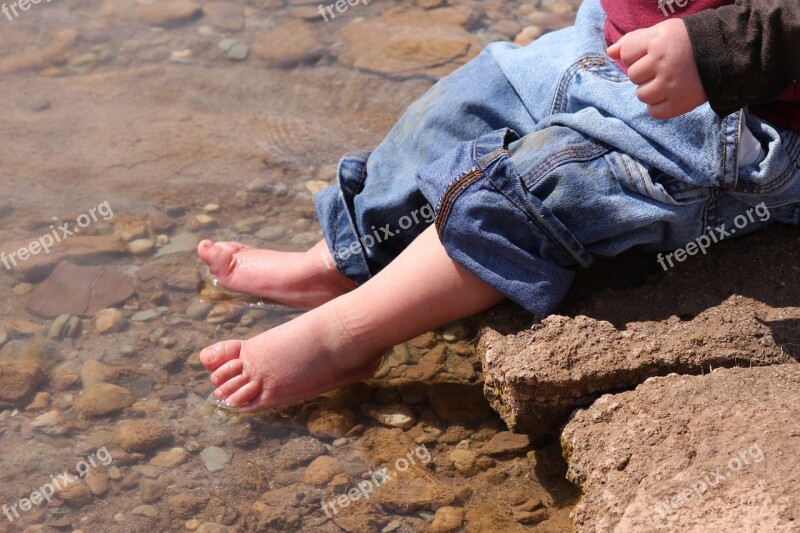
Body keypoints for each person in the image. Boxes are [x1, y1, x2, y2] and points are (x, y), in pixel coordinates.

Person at [197, 0, 800, 412]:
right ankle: (340, 260)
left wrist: (723, 49)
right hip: (607, 46)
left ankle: (345, 338)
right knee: (463, 106)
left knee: (549, 183)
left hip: (741, 121)